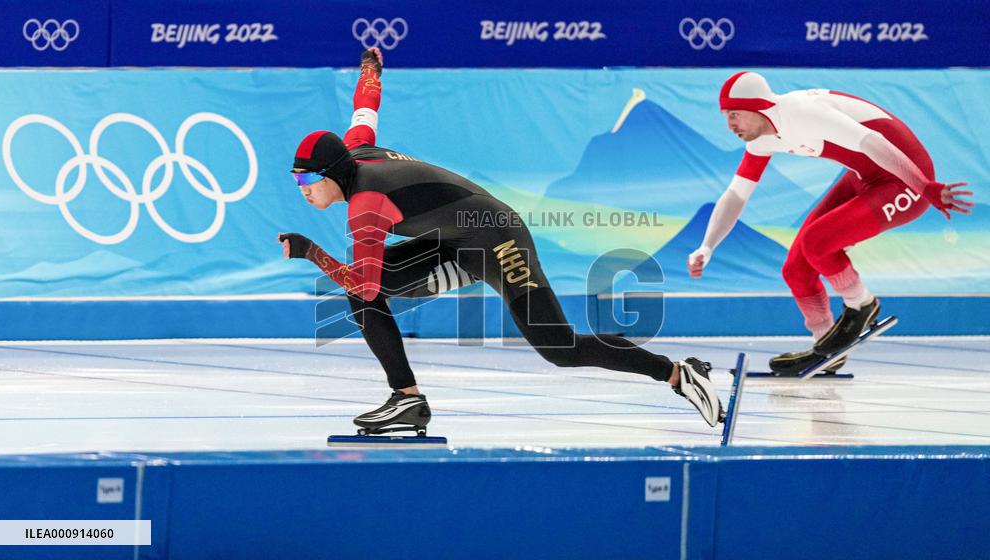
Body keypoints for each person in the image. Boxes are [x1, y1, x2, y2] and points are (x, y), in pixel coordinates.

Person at [279, 48, 724, 434]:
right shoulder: (355, 148)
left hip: (497, 238)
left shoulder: (367, 208)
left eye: (306, 178)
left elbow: (368, 284)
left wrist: (309, 252)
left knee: (559, 348)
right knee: (360, 294)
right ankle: (407, 399)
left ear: (332, 174)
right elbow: (365, 108)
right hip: (454, 241)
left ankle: (678, 374)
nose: (302, 187)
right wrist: (369, 65)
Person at [688, 72, 973, 375]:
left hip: (904, 180)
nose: (730, 125)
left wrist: (924, 185)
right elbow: (736, 194)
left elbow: (873, 142)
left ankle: (862, 304)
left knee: (817, 242)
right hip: (866, 177)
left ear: (757, 107)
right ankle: (827, 346)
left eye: (734, 115)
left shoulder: (804, 113)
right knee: (795, 269)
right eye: (725, 117)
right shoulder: (762, 140)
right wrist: (707, 245)